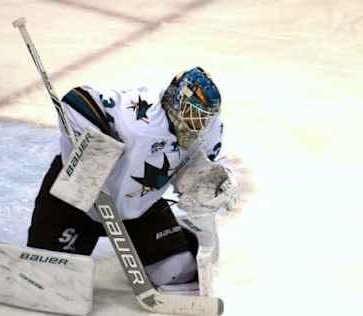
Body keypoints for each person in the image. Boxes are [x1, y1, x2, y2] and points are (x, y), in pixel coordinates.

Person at [27, 66, 225, 287]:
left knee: (176, 271)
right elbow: (76, 100)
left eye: (204, 118)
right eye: (193, 114)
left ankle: (180, 235)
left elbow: (196, 172)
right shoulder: (140, 113)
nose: (197, 126)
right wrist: (97, 142)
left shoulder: (209, 132)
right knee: (49, 278)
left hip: (139, 207)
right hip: (75, 199)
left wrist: (208, 185)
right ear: (176, 101)